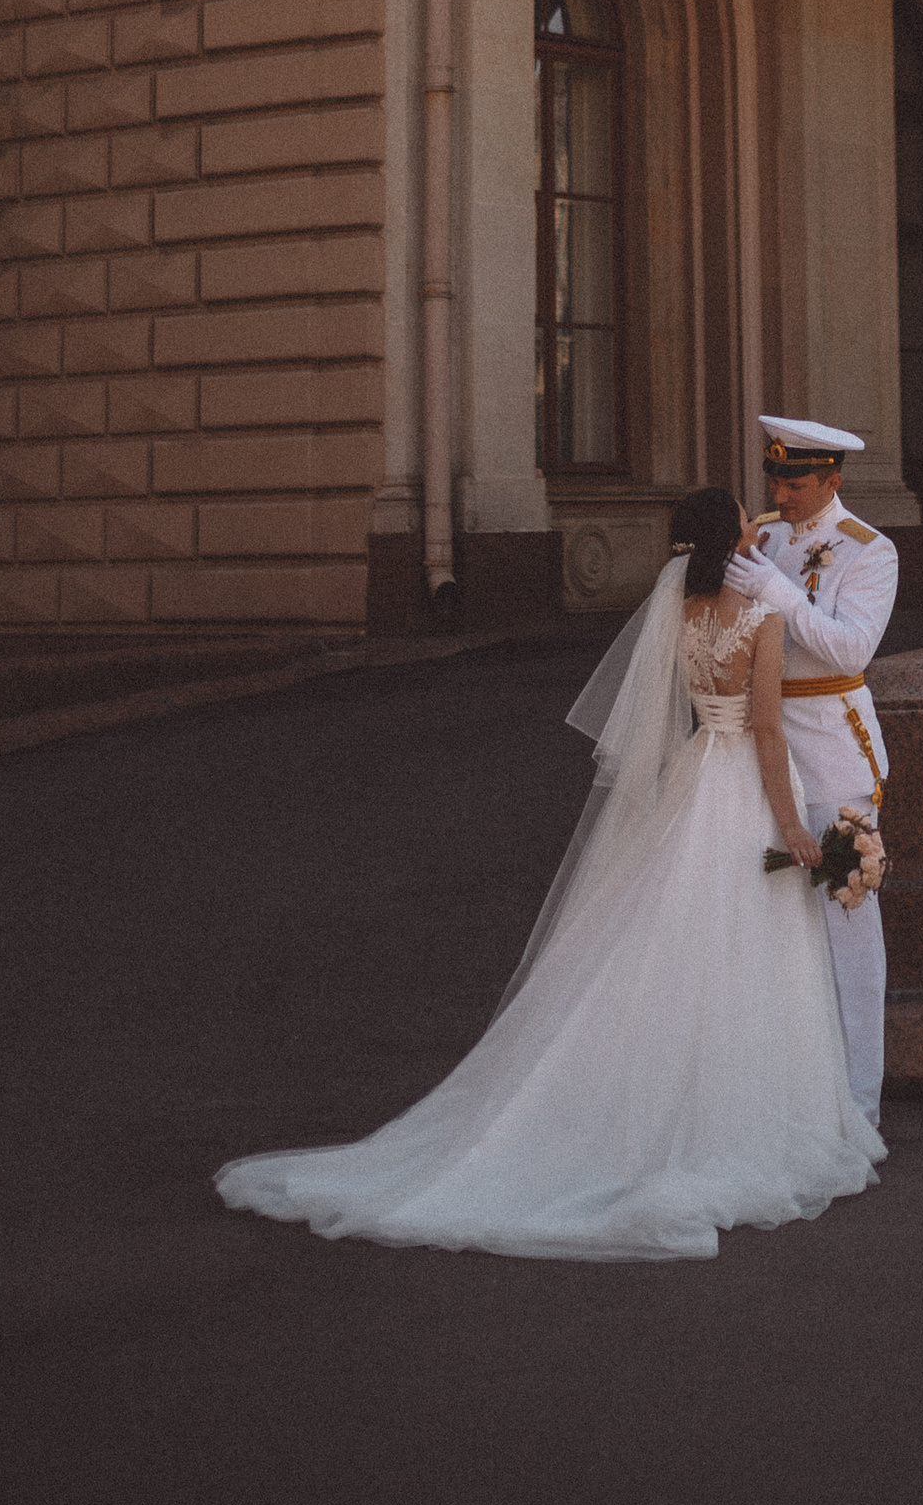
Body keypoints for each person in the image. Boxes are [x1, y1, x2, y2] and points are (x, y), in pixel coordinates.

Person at [214, 487, 882, 1261]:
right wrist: (792, 825)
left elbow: (680, 712)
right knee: (741, 947)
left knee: (669, 938)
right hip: (743, 790)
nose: (752, 523)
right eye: (742, 517)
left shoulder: (678, 612)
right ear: (731, 537)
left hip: (695, 777)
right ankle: (738, 1114)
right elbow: (767, 727)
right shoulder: (760, 618)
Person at [726, 413, 899, 1126]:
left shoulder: (869, 550)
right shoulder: (762, 534)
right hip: (757, 746)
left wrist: (780, 594)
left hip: (830, 746)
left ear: (832, 480)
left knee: (845, 912)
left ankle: (859, 1102)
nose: (780, 490)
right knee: (766, 914)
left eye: (795, 480)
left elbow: (850, 649)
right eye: (774, 477)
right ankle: (788, 1091)